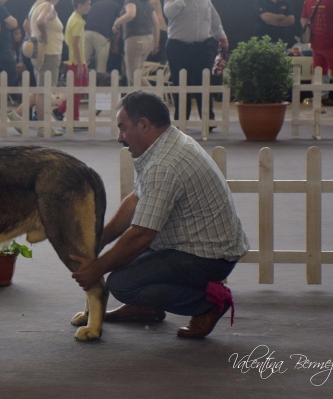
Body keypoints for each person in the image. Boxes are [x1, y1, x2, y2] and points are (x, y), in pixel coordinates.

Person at [70, 90, 249, 338]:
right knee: (123, 260)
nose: (120, 137)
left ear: (144, 125)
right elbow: (134, 200)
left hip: (207, 258)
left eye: (123, 128)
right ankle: (146, 307)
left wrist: (96, 269)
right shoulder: (167, 143)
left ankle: (208, 304)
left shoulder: (164, 164)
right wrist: (96, 242)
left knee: (121, 283)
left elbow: (142, 235)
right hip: (193, 245)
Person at [164, 0, 228, 125]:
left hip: (204, 46)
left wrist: (222, 37)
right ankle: (181, 119)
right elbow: (169, 13)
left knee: (203, 81)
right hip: (178, 46)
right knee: (181, 82)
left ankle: (208, 120)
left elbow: (214, 17)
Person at [8, 0, 64, 137]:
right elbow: (41, 22)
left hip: (39, 54)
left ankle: (17, 114)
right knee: (45, 92)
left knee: (40, 90)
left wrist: (34, 38)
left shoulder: (36, 6)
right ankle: (43, 126)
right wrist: (44, 38)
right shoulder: (48, 6)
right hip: (49, 53)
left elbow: (26, 24)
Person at [301, 0, 333, 108]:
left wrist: (310, 32)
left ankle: (318, 102)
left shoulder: (308, 1)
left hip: (316, 43)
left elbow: (303, 20)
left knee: (318, 72)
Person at [52, 0, 91, 124]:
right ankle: (74, 119)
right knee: (77, 91)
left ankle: (60, 110)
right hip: (75, 62)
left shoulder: (76, 19)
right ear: (80, 5)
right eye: (88, 4)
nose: (90, 6)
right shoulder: (77, 21)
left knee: (82, 89)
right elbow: (75, 44)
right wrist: (80, 65)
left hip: (77, 61)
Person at [112, 0, 159, 86]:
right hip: (149, 40)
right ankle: (134, 98)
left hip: (135, 39)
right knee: (134, 74)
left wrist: (116, 23)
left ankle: (155, 96)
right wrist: (156, 43)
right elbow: (156, 23)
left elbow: (131, 14)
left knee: (133, 75)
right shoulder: (147, 3)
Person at [0, 0, 17, 111]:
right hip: (3, 47)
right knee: (11, 72)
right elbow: (14, 23)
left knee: (0, 75)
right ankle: (3, 101)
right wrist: (9, 23)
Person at [83, 0, 121, 73]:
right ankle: (99, 83)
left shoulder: (96, 3)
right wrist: (115, 43)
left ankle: (78, 82)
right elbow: (117, 27)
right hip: (102, 35)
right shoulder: (117, 6)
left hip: (87, 31)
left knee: (82, 62)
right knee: (101, 66)